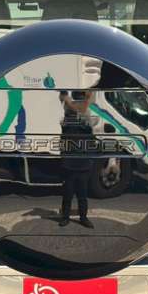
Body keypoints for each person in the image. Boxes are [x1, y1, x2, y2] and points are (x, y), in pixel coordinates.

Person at [59, 90, 95, 229]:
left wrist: (68, 99)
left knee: (82, 195)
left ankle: (83, 218)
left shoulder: (86, 121)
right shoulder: (67, 120)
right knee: (67, 195)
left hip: (83, 164)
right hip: (69, 164)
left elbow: (84, 115)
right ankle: (65, 218)